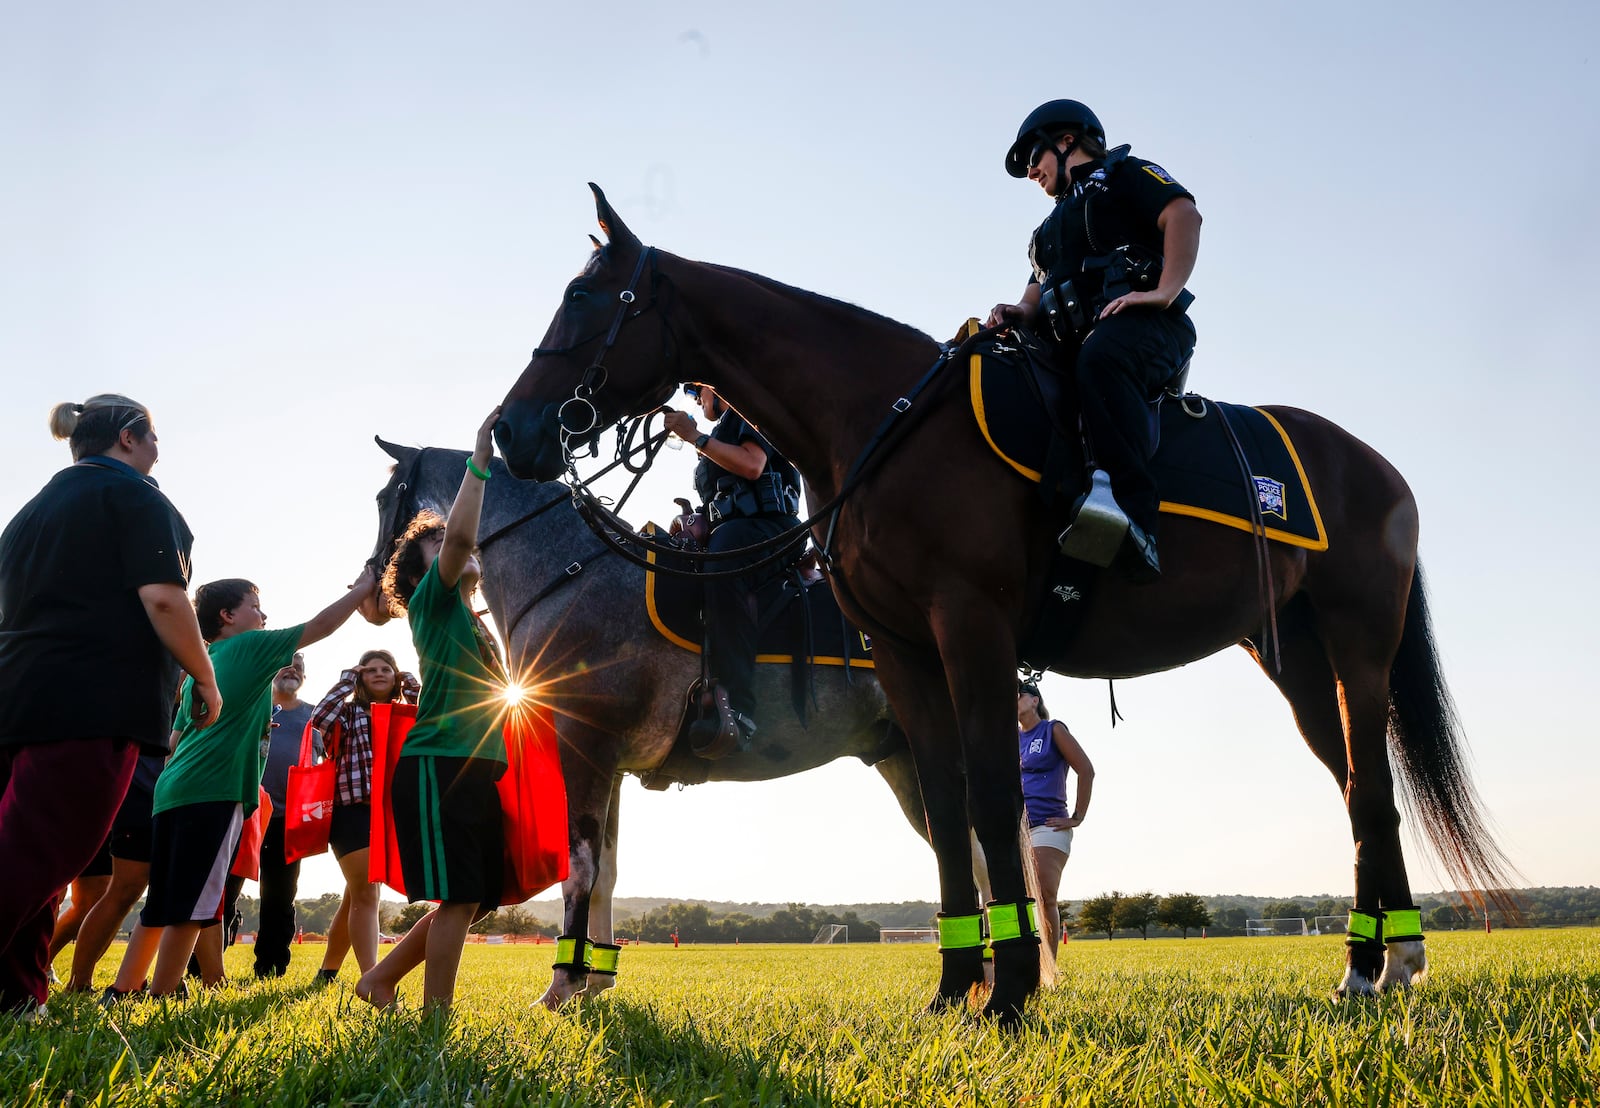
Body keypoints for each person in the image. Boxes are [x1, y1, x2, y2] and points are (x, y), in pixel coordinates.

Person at [0, 394, 218, 1017]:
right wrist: (204, 678)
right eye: (153, 437)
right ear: (128, 436)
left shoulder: (28, 513)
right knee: (42, 850)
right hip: (89, 701)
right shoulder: (137, 497)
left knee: (32, 853)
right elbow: (166, 600)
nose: (157, 450)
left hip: (17, 696)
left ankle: (16, 994)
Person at [106, 570, 378, 1000]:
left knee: (163, 898)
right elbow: (321, 626)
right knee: (195, 904)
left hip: (173, 789)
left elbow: (177, 740)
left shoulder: (204, 663)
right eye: (255, 605)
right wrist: (364, 589)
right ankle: (161, 994)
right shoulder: (250, 645)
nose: (264, 614)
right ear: (228, 615)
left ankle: (122, 988)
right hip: (214, 791)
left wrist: (243, 727)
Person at [987, 100, 1202, 581]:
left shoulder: (1125, 174)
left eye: (1031, 158)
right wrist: (1016, 312)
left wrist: (1164, 292)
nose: (1029, 173)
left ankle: (1134, 517)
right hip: (1075, 341)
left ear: (1066, 141)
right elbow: (1035, 294)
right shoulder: (1046, 231)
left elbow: (1183, 215)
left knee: (1099, 359)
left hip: (1144, 327)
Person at [357, 408, 509, 1015]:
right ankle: (436, 1018)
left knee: (469, 898)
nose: (452, 544)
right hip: (437, 765)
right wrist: (478, 461)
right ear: (425, 570)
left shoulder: (472, 621)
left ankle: (379, 980)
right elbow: (467, 539)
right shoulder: (432, 600)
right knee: (458, 896)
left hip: (471, 765)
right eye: (438, 542)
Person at [662, 384, 801, 757]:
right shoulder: (722, 429)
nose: (694, 399)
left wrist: (694, 436)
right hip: (738, 531)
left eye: (696, 391)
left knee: (722, 565)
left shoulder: (748, 407)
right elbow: (727, 502)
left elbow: (754, 466)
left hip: (773, 529)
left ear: (714, 387)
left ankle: (739, 708)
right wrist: (695, 522)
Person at [309, 649, 419, 984]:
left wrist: (410, 683)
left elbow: (433, 709)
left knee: (355, 895)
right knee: (368, 892)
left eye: (387, 669)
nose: (380, 674)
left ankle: (328, 971)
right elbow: (319, 721)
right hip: (351, 809)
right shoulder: (347, 712)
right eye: (370, 670)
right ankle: (371, 978)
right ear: (360, 677)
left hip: (390, 812)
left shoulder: (407, 713)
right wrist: (345, 681)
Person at [1017, 678, 1094, 958]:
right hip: (1018, 828)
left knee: (1044, 894)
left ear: (1034, 699)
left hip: (1049, 824)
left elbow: (1086, 770)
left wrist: (1077, 817)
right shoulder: (1009, 738)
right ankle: (1023, 960)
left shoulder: (1052, 730)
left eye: (1018, 694)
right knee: (1018, 898)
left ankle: (1049, 966)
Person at [252, 655, 314, 978]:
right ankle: (204, 966)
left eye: (299, 668)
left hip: (290, 820)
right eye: (286, 664)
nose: (292, 671)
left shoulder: (313, 716)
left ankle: (271, 966)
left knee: (280, 895)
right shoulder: (255, 703)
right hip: (247, 810)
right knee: (225, 888)